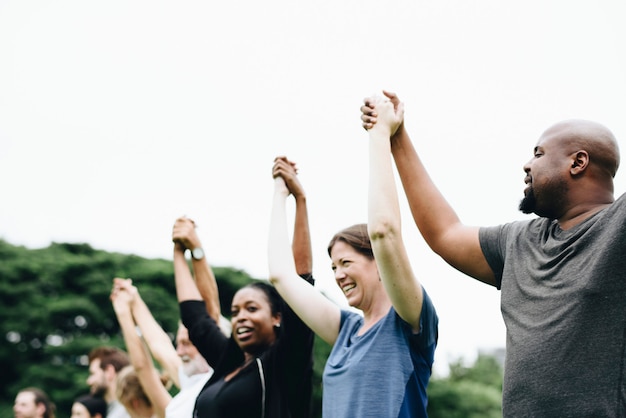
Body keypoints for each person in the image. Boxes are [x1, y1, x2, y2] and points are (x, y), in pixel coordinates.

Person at [361, 91, 626, 417]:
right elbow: (445, 233)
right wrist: (397, 135)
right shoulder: (518, 241)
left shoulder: (618, 227)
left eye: (539, 154)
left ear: (578, 162)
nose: (527, 164)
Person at [269, 139, 439, 417]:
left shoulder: (409, 321)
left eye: (346, 263)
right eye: (334, 267)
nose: (338, 275)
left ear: (379, 263)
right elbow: (281, 277)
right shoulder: (345, 330)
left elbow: (384, 232)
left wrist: (379, 134)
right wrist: (281, 192)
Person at [176, 156, 315, 418]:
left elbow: (300, 283)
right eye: (236, 311)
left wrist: (299, 199)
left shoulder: (286, 363)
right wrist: (178, 252)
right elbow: (196, 319)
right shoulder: (229, 360)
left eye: (252, 308)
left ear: (277, 317)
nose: (241, 317)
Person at [111, 279, 172, 418]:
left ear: (134, 402)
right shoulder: (175, 409)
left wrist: (124, 313)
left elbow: (142, 367)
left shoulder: (167, 413)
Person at [87, 346, 131, 418]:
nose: (89, 381)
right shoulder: (116, 411)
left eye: (93, 373)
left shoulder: (126, 413)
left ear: (109, 372)